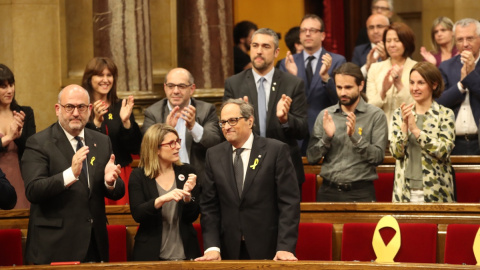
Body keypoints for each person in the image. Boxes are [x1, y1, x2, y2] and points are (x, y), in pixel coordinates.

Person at [21, 85, 125, 264]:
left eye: (81, 107)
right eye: (69, 107)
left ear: (90, 109)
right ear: (57, 109)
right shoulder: (39, 143)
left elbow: (118, 190)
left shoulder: (101, 141)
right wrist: (70, 173)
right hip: (55, 247)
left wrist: (110, 182)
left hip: (94, 245)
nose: (76, 113)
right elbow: (33, 190)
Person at [195, 99, 300, 261]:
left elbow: (289, 203)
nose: (227, 126)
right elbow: (209, 206)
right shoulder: (213, 154)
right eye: (223, 122)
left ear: (250, 121)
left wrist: (285, 247)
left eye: (232, 120)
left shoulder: (275, 151)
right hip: (227, 248)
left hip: (268, 247)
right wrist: (212, 247)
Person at [224, 28, 308, 192]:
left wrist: (285, 119)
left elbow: (303, 130)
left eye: (265, 46)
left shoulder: (293, 84)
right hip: (246, 169)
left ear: (276, 52)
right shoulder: (234, 84)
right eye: (255, 46)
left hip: (284, 170)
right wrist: (239, 120)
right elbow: (225, 130)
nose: (259, 51)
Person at [307, 62, 388, 202]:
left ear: (361, 85)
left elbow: (378, 157)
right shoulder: (326, 115)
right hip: (328, 191)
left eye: (348, 87)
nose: (343, 92)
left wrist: (355, 137)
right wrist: (327, 138)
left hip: (361, 192)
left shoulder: (376, 115)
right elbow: (311, 158)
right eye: (339, 87)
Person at [129, 123, 200, 261]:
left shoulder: (187, 171)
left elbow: (192, 215)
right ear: (156, 149)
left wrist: (188, 198)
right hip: (150, 254)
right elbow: (138, 213)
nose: (178, 147)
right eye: (171, 143)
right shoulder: (139, 176)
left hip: (186, 252)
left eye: (178, 141)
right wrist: (161, 199)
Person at [279, 14, 346, 154]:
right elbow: (282, 102)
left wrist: (326, 78)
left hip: (326, 132)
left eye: (312, 30)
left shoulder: (337, 61)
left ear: (322, 35)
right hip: (296, 134)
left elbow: (341, 100)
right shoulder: (287, 63)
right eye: (303, 30)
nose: (307, 34)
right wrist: (294, 78)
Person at [143, 68, 223, 182]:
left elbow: (215, 142)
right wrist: (165, 130)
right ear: (165, 88)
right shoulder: (153, 113)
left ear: (192, 89)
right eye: (171, 86)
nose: (175, 91)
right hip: (164, 180)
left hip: (199, 181)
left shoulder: (206, 110)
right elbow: (147, 148)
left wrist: (193, 127)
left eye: (181, 86)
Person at [390, 62, 455, 203]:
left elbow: (444, 151)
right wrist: (404, 131)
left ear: (434, 85)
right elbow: (395, 152)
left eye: (421, 83)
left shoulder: (445, 114)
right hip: (404, 192)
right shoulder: (400, 114)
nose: (415, 88)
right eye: (412, 82)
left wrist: (416, 131)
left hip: (437, 191)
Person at [82, 57, 142, 205]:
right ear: (89, 79)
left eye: (109, 75)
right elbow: (85, 146)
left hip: (121, 173)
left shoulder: (122, 106)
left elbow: (135, 148)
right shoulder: (81, 108)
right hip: (92, 175)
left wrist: (126, 122)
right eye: (100, 75)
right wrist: (96, 122)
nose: (105, 80)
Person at [437, 18, 480, 155]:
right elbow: (439, 102)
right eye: (460, 40)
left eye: (470, 38)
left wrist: (471, 74)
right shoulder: (446, 66)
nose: (465, 44)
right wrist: (461, 84)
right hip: (453, 142)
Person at [367, 22, 417, 135]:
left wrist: (399, 86)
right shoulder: (375, 68)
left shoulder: (417, 69)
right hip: (379, 134)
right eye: (388, 41)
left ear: (406, 42)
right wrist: (383, 92)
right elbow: (369, 108)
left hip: (408, 133)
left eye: (397, 40)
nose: (392, 45)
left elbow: (417, 106)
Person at [0, 63, 35, 209]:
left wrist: (18, 136)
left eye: (11, 85)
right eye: (3, 86)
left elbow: (32, 150)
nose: (9, 90)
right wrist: (8, 138)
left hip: (20, 178)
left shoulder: (24, 112)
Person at [352, 14, 389, 78]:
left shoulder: (397, 48)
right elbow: (352, 79)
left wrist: (386, 60)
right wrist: (367, 67)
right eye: (371, 27)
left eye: (379, 26)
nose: (375, 31)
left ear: (388, 28)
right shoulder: (359, 51)